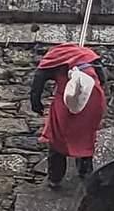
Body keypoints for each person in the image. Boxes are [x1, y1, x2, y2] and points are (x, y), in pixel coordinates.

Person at [30, 42, 107, 188]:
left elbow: (38, 81)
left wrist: (36, 104)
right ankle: (85, 172)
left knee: (58, 138)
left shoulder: (53, 58)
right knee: (86, 136)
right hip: (93, 100)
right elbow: (102, 79)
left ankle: (55, 178)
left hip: (66, 103)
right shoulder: (89, 55)